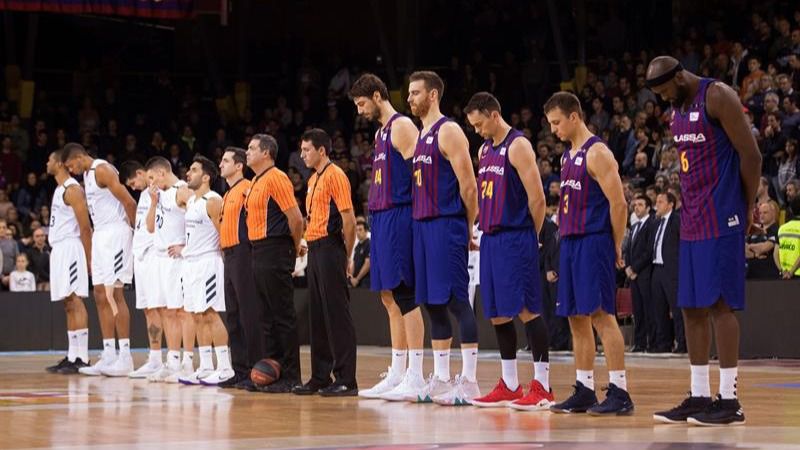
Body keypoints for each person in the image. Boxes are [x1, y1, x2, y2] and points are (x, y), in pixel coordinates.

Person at [647, 55, 761, 426]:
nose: (666, 99)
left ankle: (729, 400)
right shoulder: (677, 110)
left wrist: (747, 207)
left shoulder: (718, 96)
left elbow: (752, 155)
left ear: (680, 76)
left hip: (723, 213)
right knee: (691, 307)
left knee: (720, 305)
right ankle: (699, 395)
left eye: (666, 91)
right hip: (692, 218)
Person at [544, 92, 634, 415]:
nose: (553, 130)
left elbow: (619, 203)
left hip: (593, 241)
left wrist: (617, 243)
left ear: (574, 117)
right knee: (575, 317)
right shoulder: (568, 156)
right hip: (569, 242)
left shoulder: (597, 153)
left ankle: (620, 392)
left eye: (556, 123)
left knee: (601, 316)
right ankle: (584, 388)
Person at [463, 92, 554, 410]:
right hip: (491, 239)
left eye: (478, 124)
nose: (477, 131)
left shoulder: (518, 145)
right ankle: (511, 384)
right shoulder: (484, 149)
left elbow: (538, 198)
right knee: (499, 314)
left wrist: (534, 235)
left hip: (517, 237)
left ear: (492, 114)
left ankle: (543, 386)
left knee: (528, 309)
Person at [349, 73, 425, 401]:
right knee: (387, 295)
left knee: (405, 294)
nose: (360, 110)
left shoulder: (402, 126)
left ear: (378, 96)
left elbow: (422, 175)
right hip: (381, 216)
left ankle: (416, 375)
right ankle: (397, 370)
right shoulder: (381, 133)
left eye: (362, 103)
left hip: (400, 214)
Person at [407, 71, 480, 405]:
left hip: (446, 223)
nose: (410, 99)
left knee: (455, 301)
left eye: (415, 93)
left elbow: (468, 183)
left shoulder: (448, 131)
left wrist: (469, 226)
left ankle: (469, 381)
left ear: (433, 94)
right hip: (422, 225)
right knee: (432, 303)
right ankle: (438, 377)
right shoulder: (421, 134)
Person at [292, 128, 358, 397]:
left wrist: (348, 255)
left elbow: (349, 219)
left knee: (337, 315)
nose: (302, 155)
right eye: (301, 149)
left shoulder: (336, 175)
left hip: (332, 249)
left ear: (321, 150)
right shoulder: (313, 179)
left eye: (306, 150)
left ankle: (346, 379)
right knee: (317, 316)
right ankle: (320, 376)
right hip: (316, 249)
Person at [62, 143, 135, 377]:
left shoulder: (101, 169)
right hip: (102, 235)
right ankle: (109, 354)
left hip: (116, 233)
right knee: (100, 295)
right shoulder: (86, 175)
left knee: (115, 295)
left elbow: (129, 202)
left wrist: (137, 233)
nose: (71, 170)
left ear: (80, 156)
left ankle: (125, 356)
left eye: (70, 165)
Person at [245, 134, 305, 393]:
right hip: (257, 250)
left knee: (282, 316)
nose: (247, 152)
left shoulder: (277, 178)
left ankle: (291, 376)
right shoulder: (256, 181)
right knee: (266, 317)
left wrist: (292, 248)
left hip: (275, 248)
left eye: (251, 148)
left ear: (266, 153)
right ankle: (272, 371)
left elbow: (296, 219)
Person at [176, 156, 233, 386]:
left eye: (194, 169)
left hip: (208, 262)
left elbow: (224, 234)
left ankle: (226, 367)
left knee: (210, 313)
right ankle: (206, 366)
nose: (188, 173)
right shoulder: (192, 202)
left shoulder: (213, 200)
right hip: (191, 264)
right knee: (197, 315)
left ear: (206, 177)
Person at [144, 156, 195, 383]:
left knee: (183, 311)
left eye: (152, 178)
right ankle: (173, 360)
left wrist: (187, 245)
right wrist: (153, 202)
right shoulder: (159, 194)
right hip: (163, 258)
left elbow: (201, 217)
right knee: (168, 311)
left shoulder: (182, 190)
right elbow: (150, 227)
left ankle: (188, 361)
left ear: (162, 173)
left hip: (180, 259)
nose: (151, 183)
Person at [216, 147, 263, 389]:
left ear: (238, 166)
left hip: (244, 253)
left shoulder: (247, 188)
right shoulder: (227, 194)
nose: (220, 164)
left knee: (248, 314)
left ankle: (256, 369)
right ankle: (240, 369)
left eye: (225, 161)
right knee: (233, 315)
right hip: (229, 255)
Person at [43, 150, 92, 374]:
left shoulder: (73, 189)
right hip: (59, 249)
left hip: (72, 248)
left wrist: (90, 258)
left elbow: (84, 226)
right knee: (67, 302)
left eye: (50, 160)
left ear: (61, 163)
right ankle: (72, 355)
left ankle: (82, 357)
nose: (47, 163)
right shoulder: (59, 189)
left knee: (75, 299)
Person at [120, 160, 164, 378]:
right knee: (148, 308)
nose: (133, 187)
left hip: (156, 254)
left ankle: (172, 359)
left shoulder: (161, 190)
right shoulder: (145, 194)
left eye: (132, 182)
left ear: (140, 173)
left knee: (160, 308)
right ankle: (154, 358)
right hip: (141, 256)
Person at [649, 192, 684, 354]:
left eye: (661, 202)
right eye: (657, 202)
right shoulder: (656, 223)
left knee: (676, 309)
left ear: (671, 204)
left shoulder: (677, 220)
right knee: (659, 308)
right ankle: (663, 343)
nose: (657, 205)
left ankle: (682, 343)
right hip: (657, 268)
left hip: (672, 270)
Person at [623, 195, 655, 352]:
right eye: (635, 205)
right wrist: (628, 267)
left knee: (648, 309)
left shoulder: (651, 224)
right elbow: (628, 250)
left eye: (640, 205)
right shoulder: (634, 226)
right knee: (637, 310)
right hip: (633, 274)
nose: (636, 207)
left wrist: (634, 268)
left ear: (648, 208)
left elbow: (649, 251)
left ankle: (651, 342)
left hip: (644, 273)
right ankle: (640, 342)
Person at [746, 201, 780, 279]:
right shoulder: (755, 230)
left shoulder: (777, 230)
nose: (761, 215)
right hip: (751, 274)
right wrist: (755, 254)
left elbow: (764, 248)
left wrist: (750, 247)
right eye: (760, 213)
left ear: (773, 214)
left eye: (765, 213)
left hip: (768, 275)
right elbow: (743, 248)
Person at [775, 197, 800, 279]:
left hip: (784, 276)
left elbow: (775, 254)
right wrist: (791, 272)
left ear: (791, 210)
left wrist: (782, 271)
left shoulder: (782, 228)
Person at [350, 219, 370, 288]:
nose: (358, 232)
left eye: (360, 229)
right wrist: (351, 278)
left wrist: (357, 279)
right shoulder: (357, 247)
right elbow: (354, 263)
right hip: (356, 281)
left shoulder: (369, 244)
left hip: (366, 281)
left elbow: (368, 264)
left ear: (366, 231)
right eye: (356, 230)